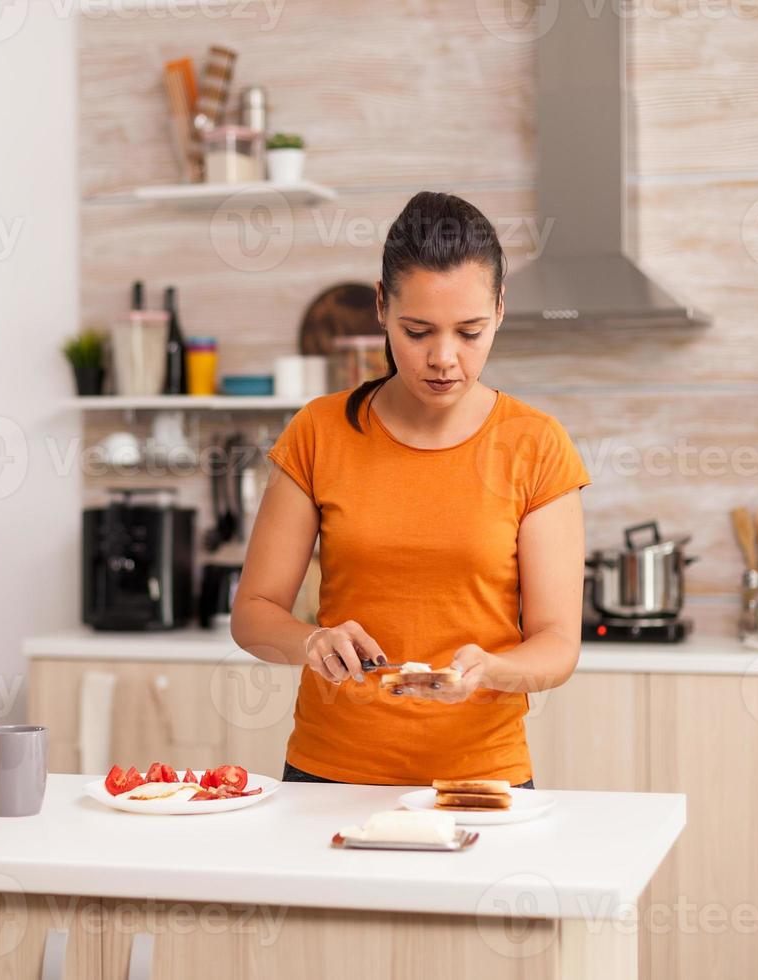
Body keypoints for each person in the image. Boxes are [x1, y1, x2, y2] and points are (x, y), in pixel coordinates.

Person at [230, 191, 590, 787]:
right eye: (418, 330)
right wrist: (312, 640)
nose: (444, 358)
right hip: (329, 776)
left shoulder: (536, 446)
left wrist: (494, 670)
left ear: (500, 310)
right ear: (380, 306)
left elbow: (557, 644)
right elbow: (253, 615)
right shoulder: (318, 433)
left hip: (480, 779)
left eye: (470, 331)